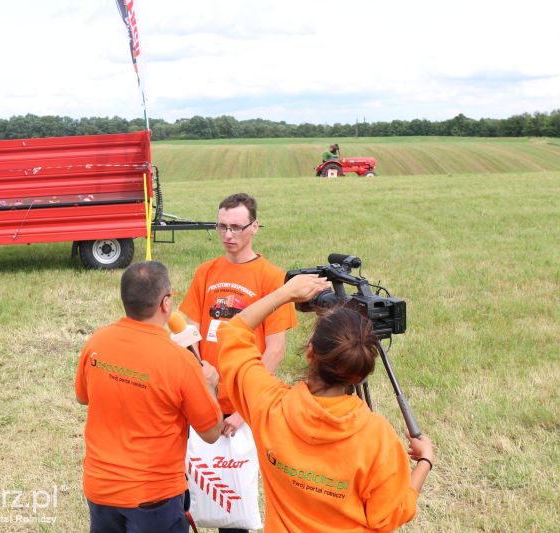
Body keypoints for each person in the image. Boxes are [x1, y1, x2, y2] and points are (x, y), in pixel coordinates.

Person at [216, 274, 435, 532]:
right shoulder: (376, 437)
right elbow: (388, 516)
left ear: (310, 353)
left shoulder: (268, 405)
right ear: (361, 373)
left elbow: (233, 331)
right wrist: (425, 462)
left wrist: (284, 294)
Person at [75, 260, 223, 533]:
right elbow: (212, 432)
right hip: (153, 497)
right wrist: (210, 384)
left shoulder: (97, 342)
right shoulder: (179, 361)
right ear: (165, 303)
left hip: (99, 487)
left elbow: (83, 397)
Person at [179, 193, 296, 533]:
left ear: (254, 227)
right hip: (202, 398)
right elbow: (190, 329)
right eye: (221, 227)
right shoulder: (207, 272)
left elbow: (274, 349)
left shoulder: (272, 278)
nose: (228, 235)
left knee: (233, 499)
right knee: (191, 490)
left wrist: (244, 409)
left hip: (240, 405)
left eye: (236, 227)